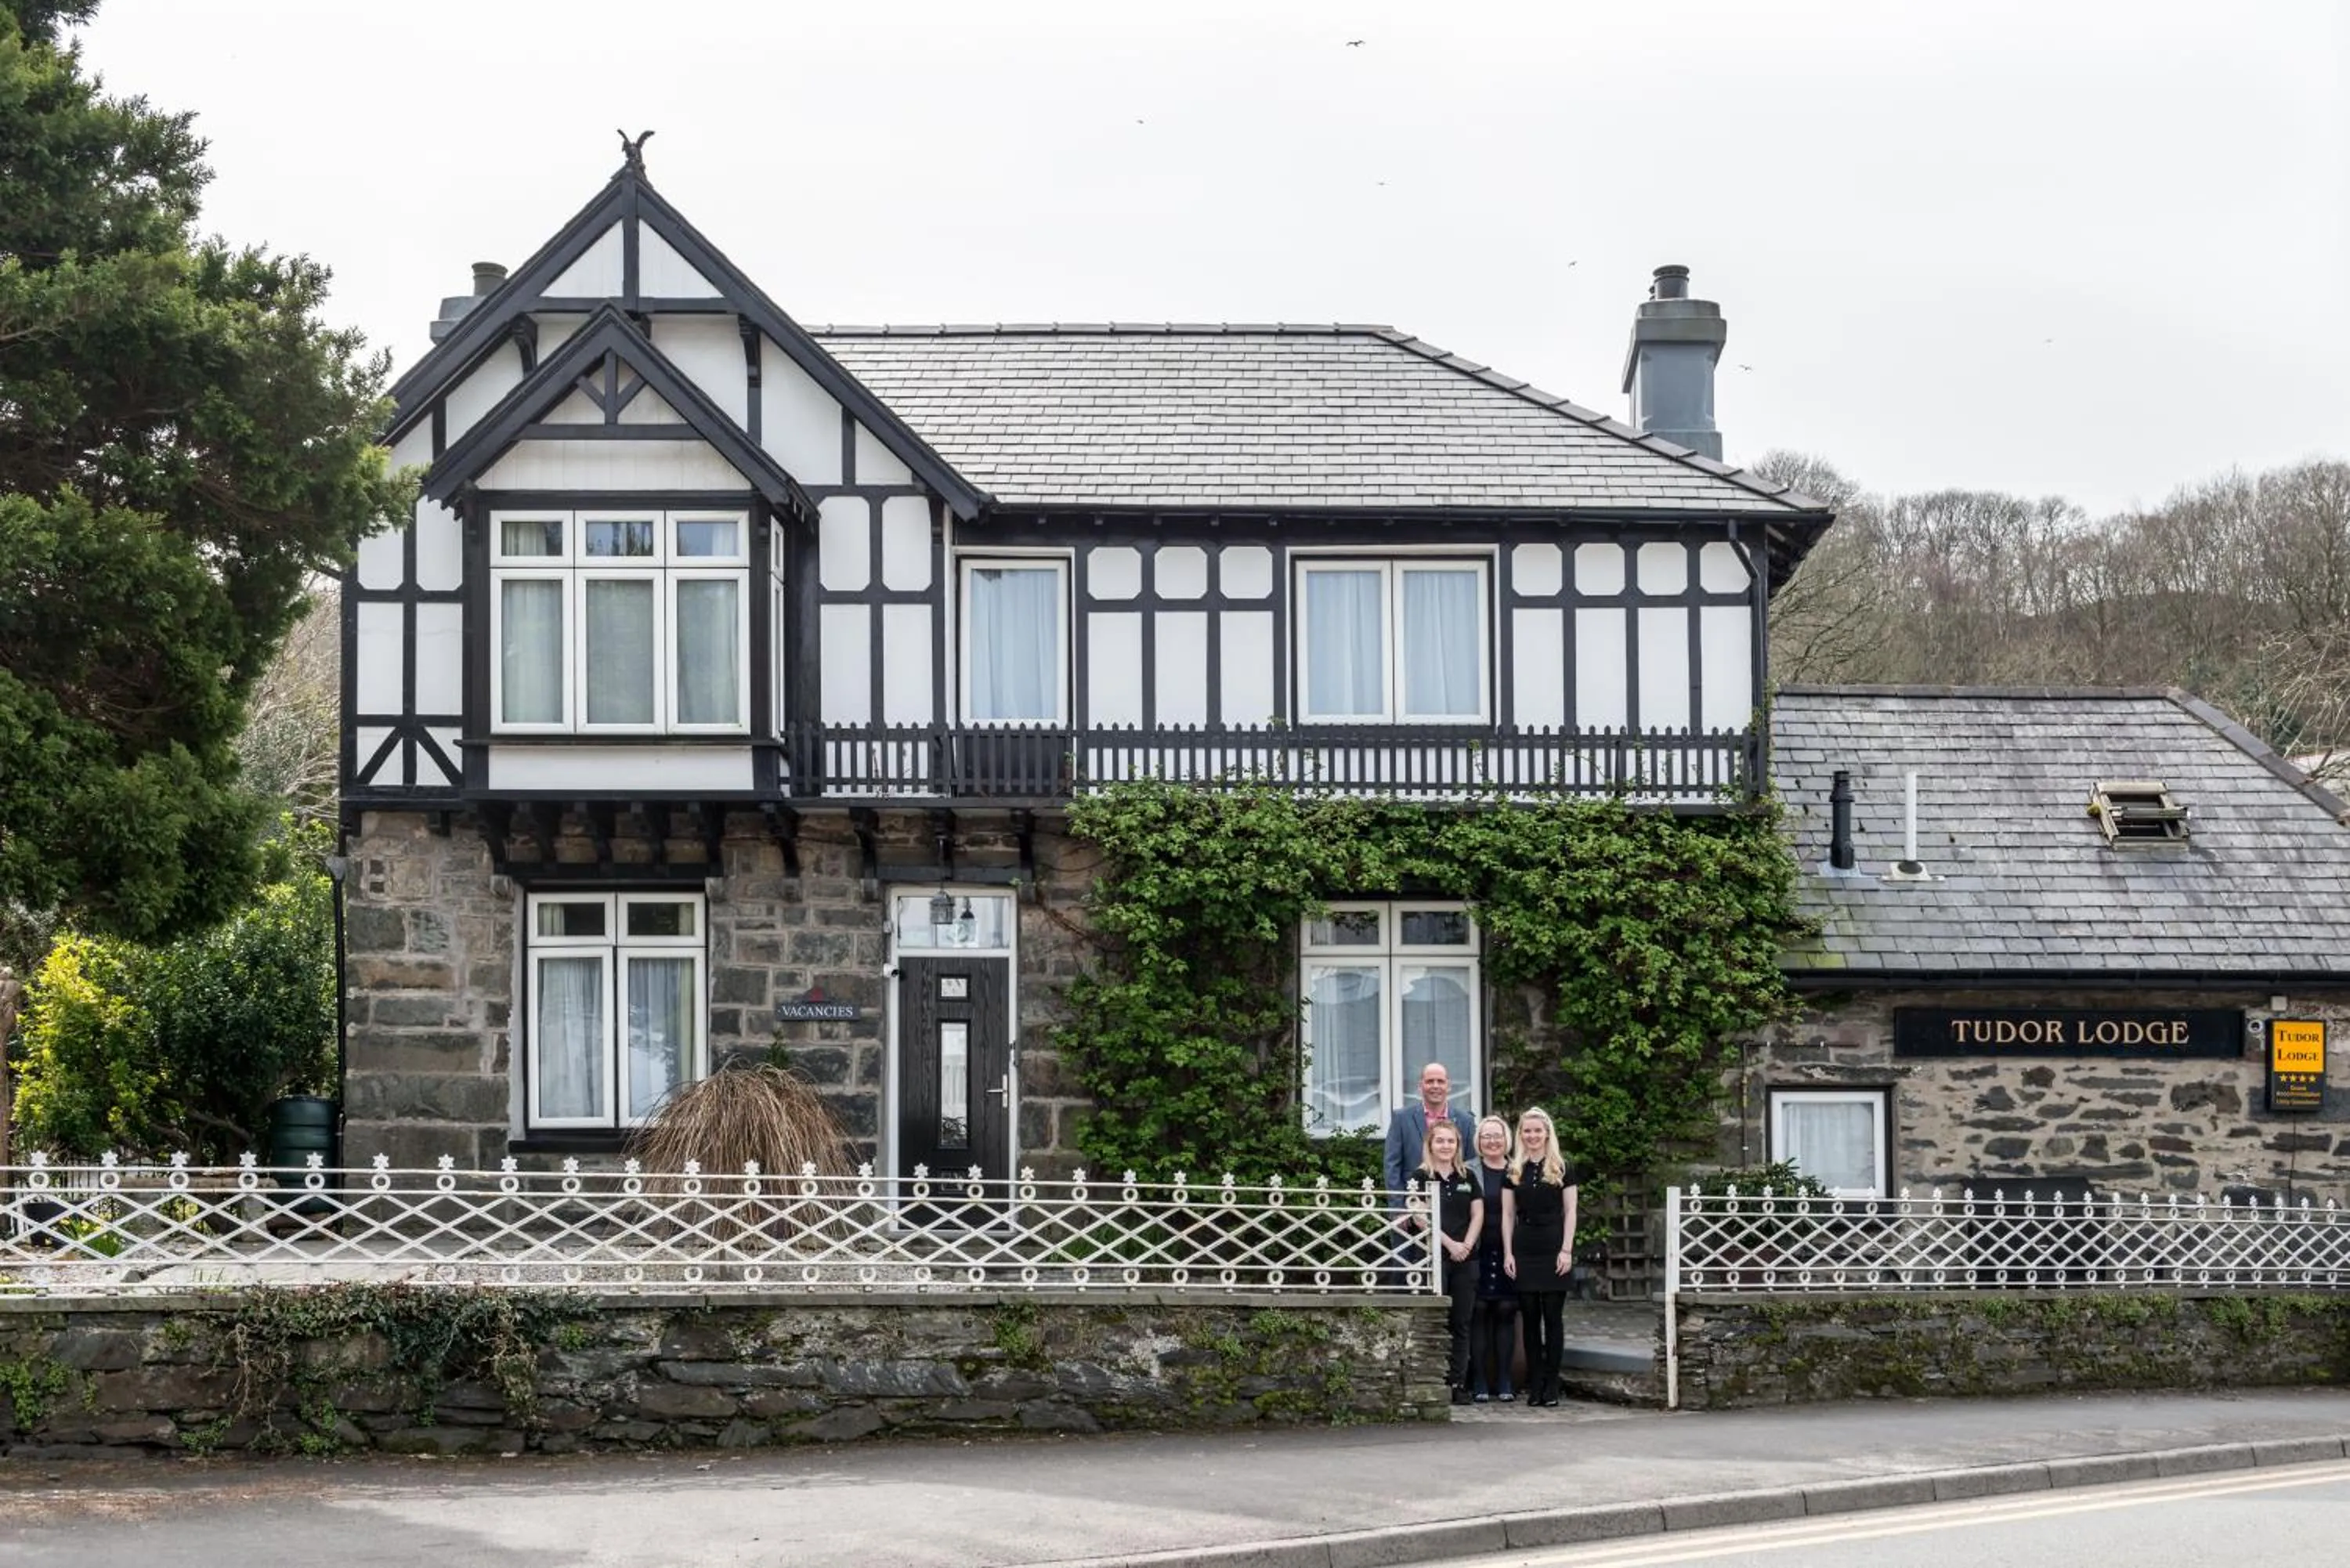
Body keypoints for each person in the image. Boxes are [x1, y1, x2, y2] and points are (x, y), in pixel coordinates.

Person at [1397, 1120, 1484, 1404]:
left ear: (1458, 1146)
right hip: (1434, 1259)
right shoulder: (1420, 1176)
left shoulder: (1468, 1176)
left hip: (1465, 1259)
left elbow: (1478, 1215)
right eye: (1440, 1141)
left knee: (1462, 1322)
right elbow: (1420, 1218)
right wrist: (1450, 1245)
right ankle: (1431, 1381)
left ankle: (1458, 1382)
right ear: (1430, 1145)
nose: (1446, 1146)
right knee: (1435, 1320)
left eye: (1451, 1141)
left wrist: (1467, 1246)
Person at [1501, 1106, 1579, 1407]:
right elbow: (1508, 1215)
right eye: (1527, 1131)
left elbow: (1571, 1210)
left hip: (1554, 1244)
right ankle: (1535, 1384)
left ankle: (1552, 1383)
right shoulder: (1514, 1170)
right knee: (1530, 1321)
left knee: (1553, 1319)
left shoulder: (1562, 1167)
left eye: (1537, 1130)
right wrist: (1509, 1252)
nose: (1532, 1136)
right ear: (1521, 1135)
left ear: (1547, 1133)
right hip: (1524, 1246)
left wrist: (1567, 1249)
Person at [1468, 1114, 1519, 1402]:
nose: (1492, 1141)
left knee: (1506, 1312)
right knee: (1479, 1312)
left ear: (1506, 1139)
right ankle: (1478, 1381)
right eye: (1486, 1136)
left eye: (1497, 1135)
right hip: (1478, 1249)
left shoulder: (1518, 1170)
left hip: (1509, 1250)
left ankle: (1505, 1380)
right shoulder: (1468, 1170)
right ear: (1478, 1141)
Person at [1383, 1063, 1477, 1198]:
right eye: (1429, 1081)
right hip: (1412, 1202)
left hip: (1456, 1203)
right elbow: (1392, 1166)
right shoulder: (1401, 1119)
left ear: (1448, 1086)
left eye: (1440, 1081)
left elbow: (1471, 1165)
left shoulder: (1466, 1121)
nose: (1435, 1086)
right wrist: (1398, 1210)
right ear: (1420, 1086)